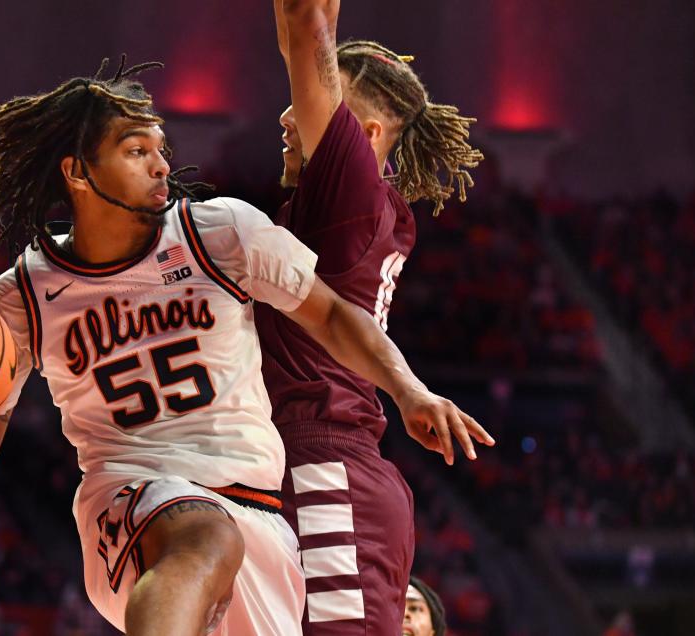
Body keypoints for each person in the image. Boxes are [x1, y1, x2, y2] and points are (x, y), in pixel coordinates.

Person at [0, 57, 487, 636]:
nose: (162, 165)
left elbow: (335, 317)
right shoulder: (24, 293)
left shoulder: (220, 232)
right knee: (202, 536)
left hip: (261, 521)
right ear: (78, 172)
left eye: (161, 148)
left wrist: (410, 391)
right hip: (134, 500)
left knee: (218, 539)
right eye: (136, 151)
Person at [255, 1, 489, 633]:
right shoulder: (352, 209)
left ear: (368, 135)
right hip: (289, 464)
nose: (287, 115)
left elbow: (303, 29)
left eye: (309, 104)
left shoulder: (350, 192)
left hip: (325, 466)